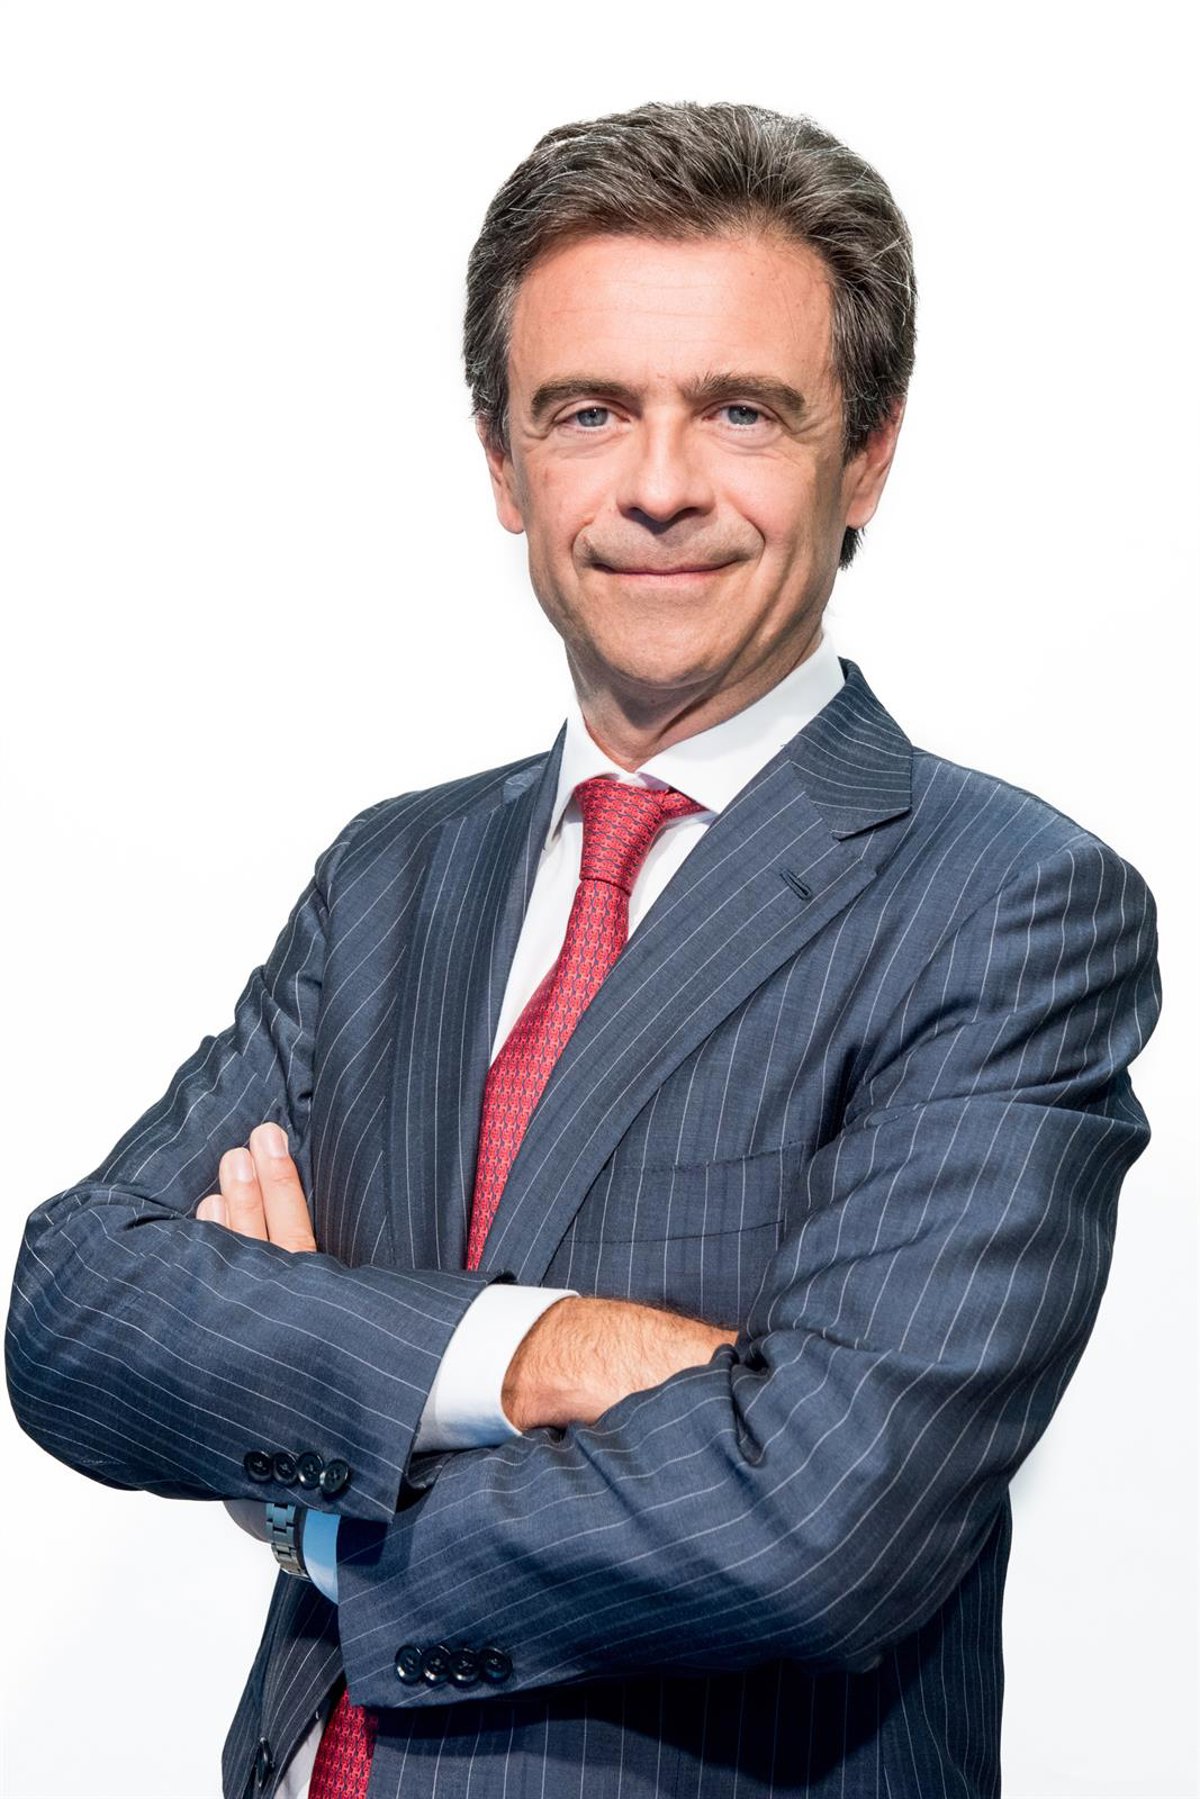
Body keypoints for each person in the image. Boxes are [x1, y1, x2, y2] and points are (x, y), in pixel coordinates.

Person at [5, 101, 1160, 1799]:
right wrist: (542, 1352)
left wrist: (318, 1484)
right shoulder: (395, 874)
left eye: (742, 411)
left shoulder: (1008, 904)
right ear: (504, 461)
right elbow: (78, 1308)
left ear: (867, 453)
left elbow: (819, 1521)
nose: (660, 485)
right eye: (589, 411)